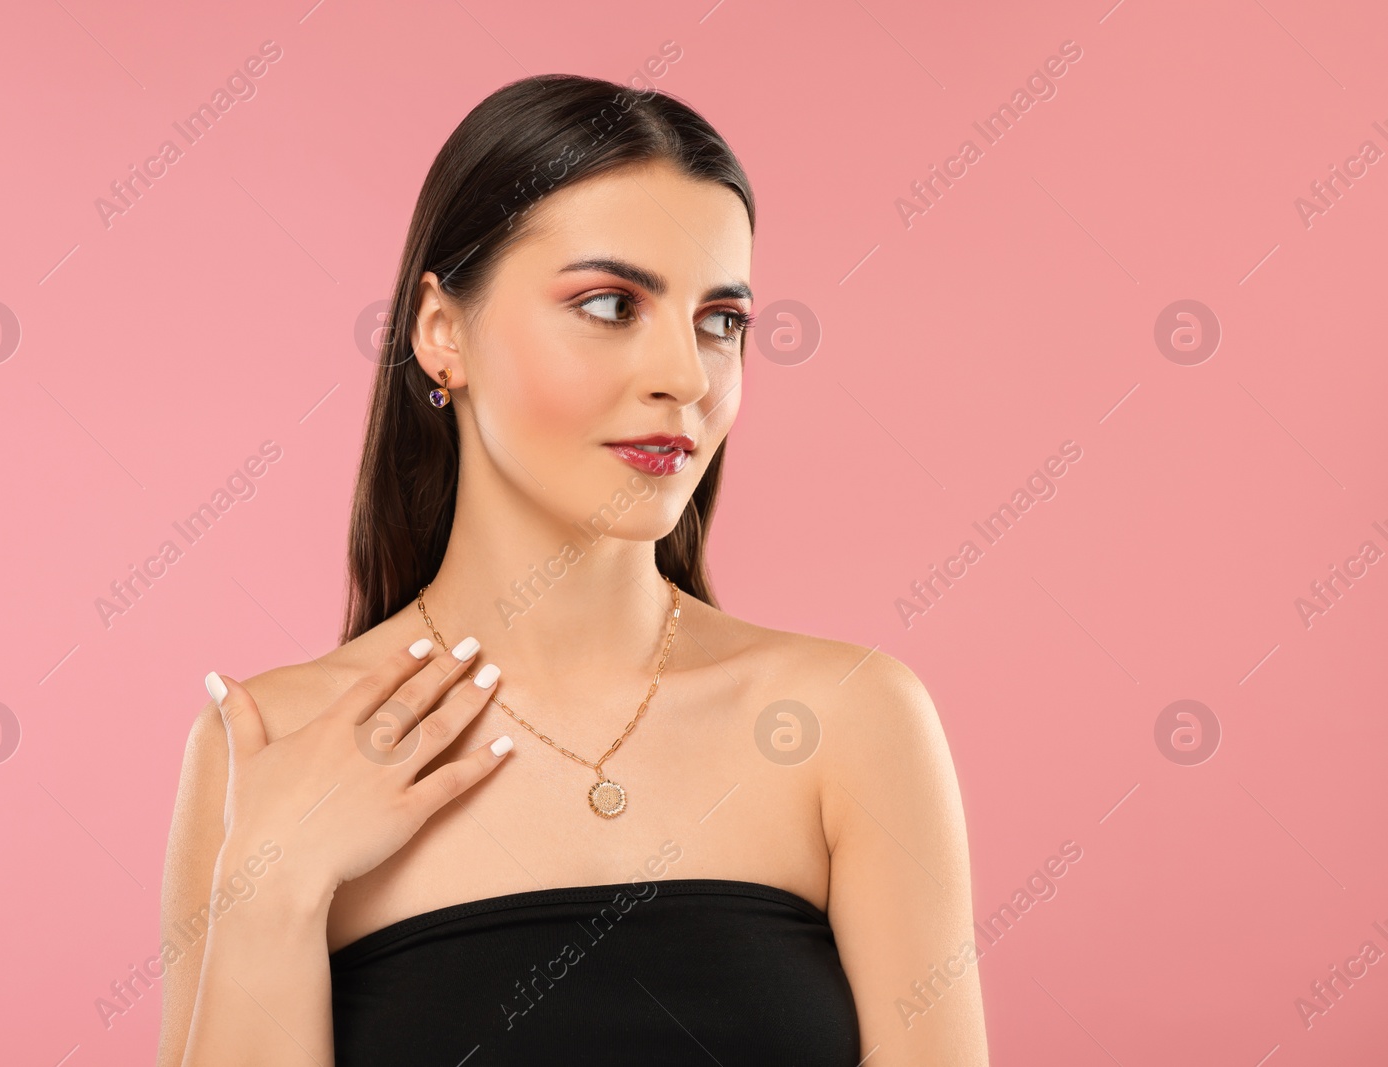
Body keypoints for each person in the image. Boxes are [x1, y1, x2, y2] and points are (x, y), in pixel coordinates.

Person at [157, 73, 989, 1066]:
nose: (685, 376)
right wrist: (275, 879)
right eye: (609, 303)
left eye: (720, 320)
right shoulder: (268, 746)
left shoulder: (850, 720)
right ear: (441, 331)